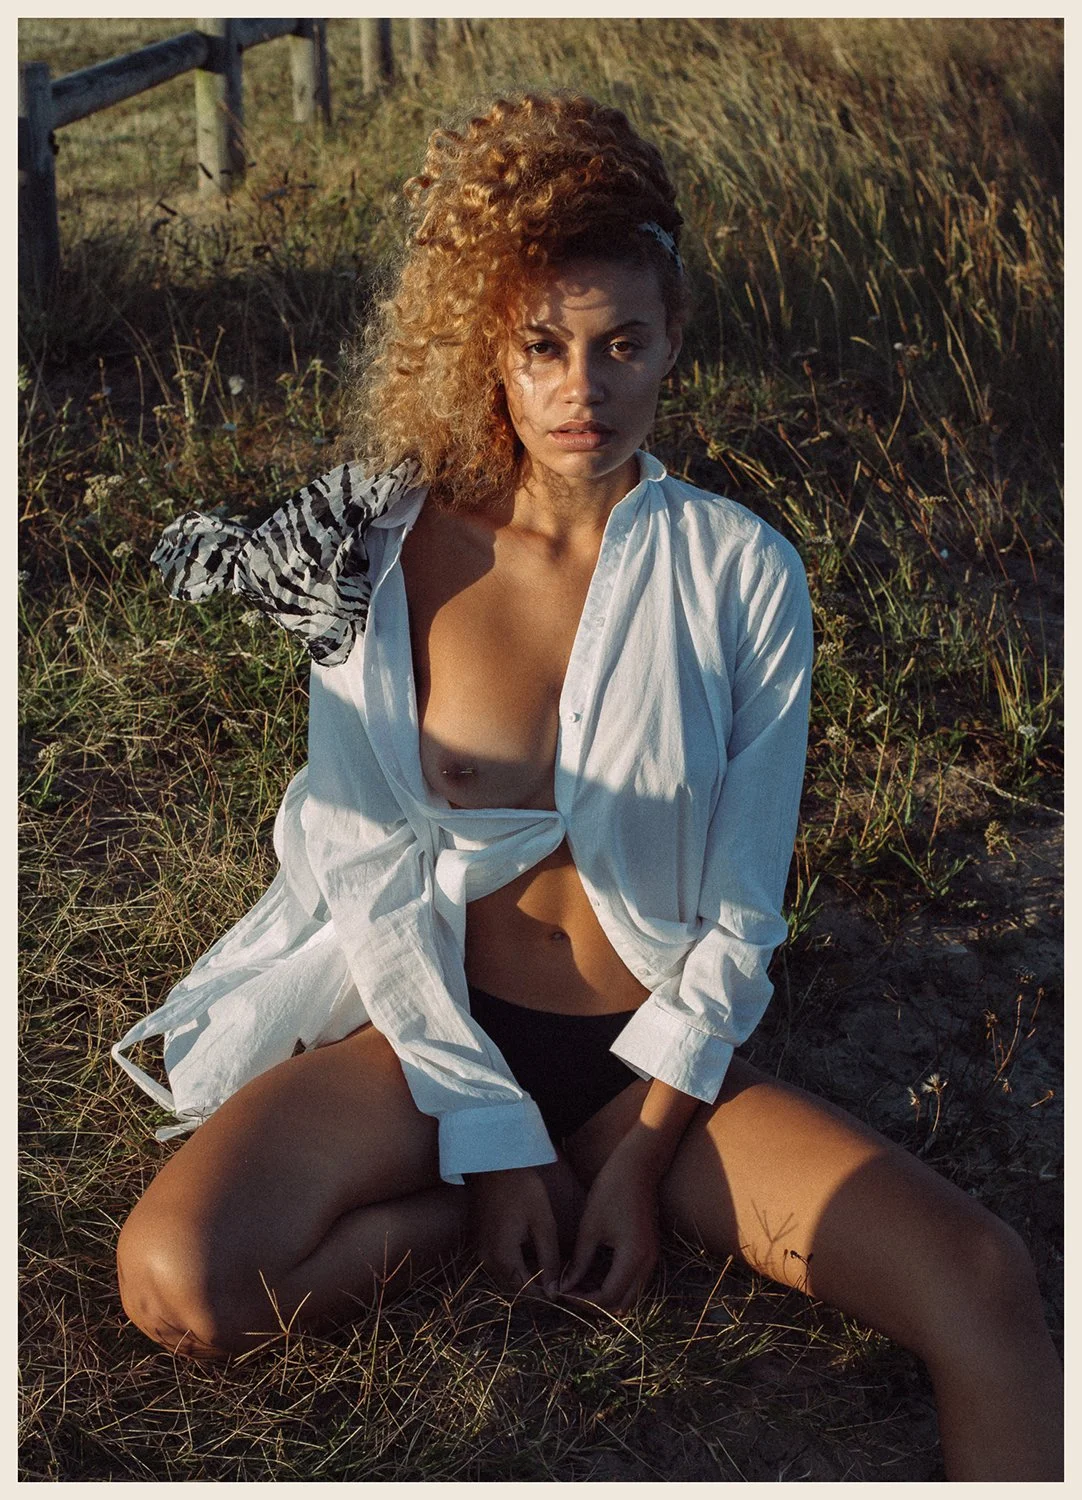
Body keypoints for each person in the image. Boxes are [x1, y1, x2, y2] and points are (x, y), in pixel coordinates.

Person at [114, 93, 1061, 1481]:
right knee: (178, 1282)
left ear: (671, 342)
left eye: (621, 344)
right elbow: (370, 873)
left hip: (647, 1062)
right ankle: (456, 1221)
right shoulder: (380, 552)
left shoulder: (741, 570)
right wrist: (493, 1144)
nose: (583, 389)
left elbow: (743, 910)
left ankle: (590, 1190)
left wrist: (636, 1152)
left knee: (981, 1279)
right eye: (542, 347)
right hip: (432, 1042)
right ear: (485, 352)